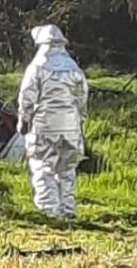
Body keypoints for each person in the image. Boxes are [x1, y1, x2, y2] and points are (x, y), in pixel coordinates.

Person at [18, 24, 88, 219]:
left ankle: (49, 211)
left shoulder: (37, 67)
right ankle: (67, 209)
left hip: (44, 125)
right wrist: (79, 119)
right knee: (66, 169)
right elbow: (82, 98)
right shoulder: (73, 68)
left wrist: (23, 120)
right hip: (70, 126)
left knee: (43, 166)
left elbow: (27, 97)